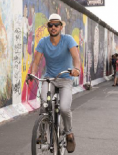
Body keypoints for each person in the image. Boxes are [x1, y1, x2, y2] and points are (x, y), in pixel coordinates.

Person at [28, 13, 80, 153]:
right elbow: (36, 61)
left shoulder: (68, 39)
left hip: (65, 79)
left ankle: (69, 133)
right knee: (44, 104)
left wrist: (76, 69)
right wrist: (32, 73)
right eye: (51, 25)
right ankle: (43, 132)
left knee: (63, 108)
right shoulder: (43, 42)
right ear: (48, 27)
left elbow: (76, 57)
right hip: (49, 78)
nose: (53, 27)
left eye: (56, 25)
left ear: (61, 27)